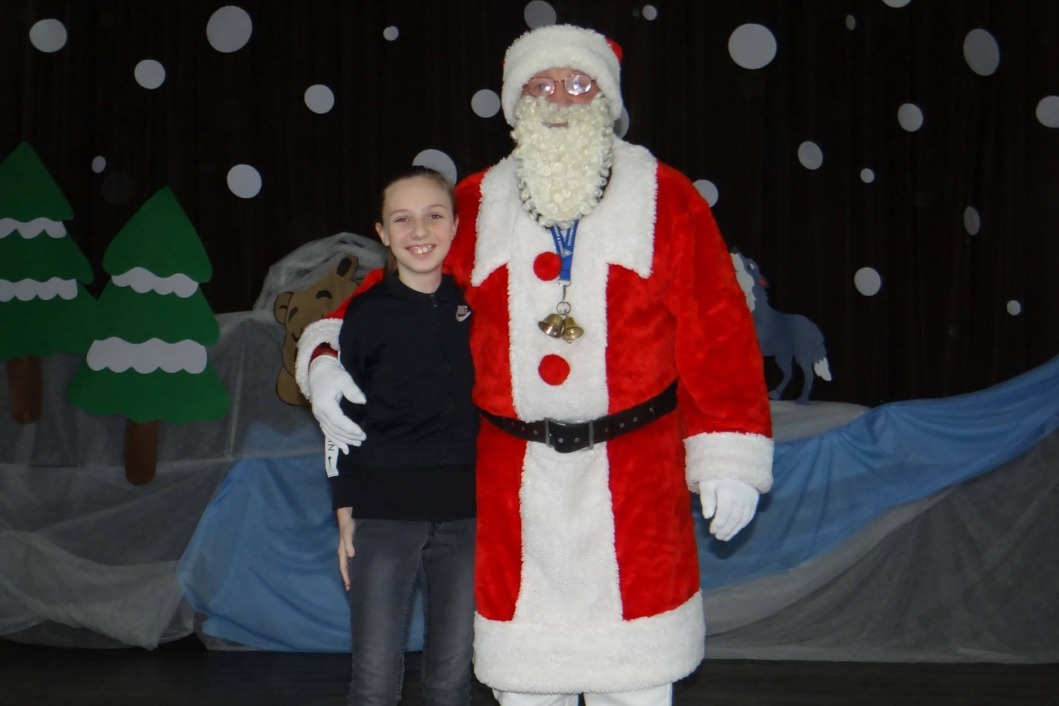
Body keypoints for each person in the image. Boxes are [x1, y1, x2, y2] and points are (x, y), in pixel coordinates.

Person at [297, 24, 773, 706]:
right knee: (525, 683)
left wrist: (729, 455)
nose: (559, 99)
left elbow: (717, 329)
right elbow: (397, 286)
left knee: (634, 679)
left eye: (577, 83)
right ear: (515, 102)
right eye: (540, 85)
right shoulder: (477, 202)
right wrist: (322, 354)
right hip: (512, 486)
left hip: (634, 478)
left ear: (606, 99)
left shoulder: (665, 198)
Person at [302, 167, 478, 706]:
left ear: (455, 225)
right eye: (402, 219)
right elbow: (343, 421)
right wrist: (345, 515)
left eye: (434, 215)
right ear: (381, 232)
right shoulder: (366, 313)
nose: (419, 230)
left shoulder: (481, 305)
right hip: (383, 515)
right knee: (375, 682)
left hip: (469, 515)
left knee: (451, 681)